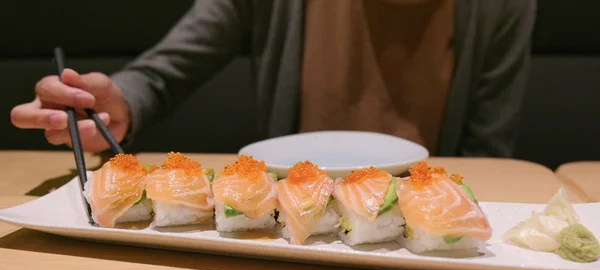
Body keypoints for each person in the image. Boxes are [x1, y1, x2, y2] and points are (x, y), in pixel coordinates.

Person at [10, 0, 536, 156]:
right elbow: (164, 71)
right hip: (287, 219)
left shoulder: (502, 6)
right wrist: (114, 104)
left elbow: (488, 154)